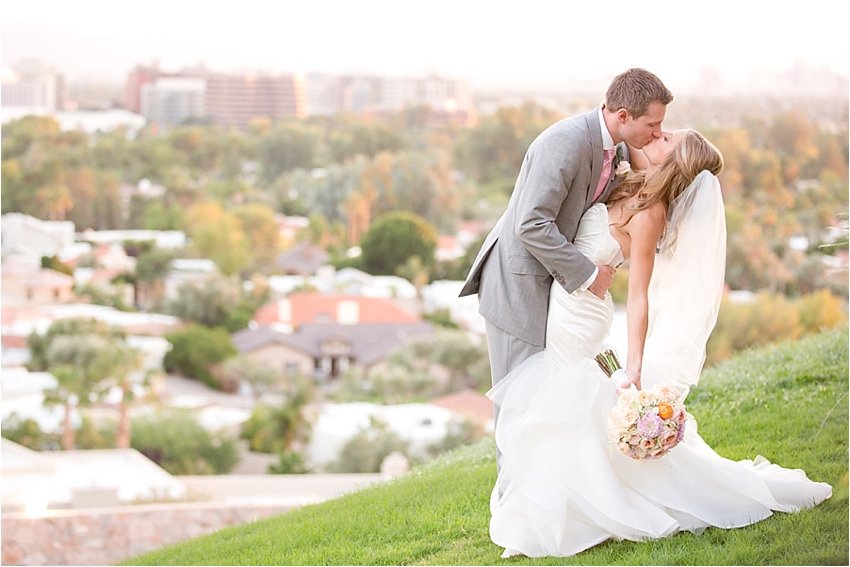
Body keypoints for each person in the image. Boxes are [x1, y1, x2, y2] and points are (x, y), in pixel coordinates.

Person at [487, 128, 833, 559]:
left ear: (674, 164)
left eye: (667, 139)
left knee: (563, 401)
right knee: (565, 403)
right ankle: (565, 506)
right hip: (567, 303)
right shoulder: (627, 181)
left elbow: (639, 296)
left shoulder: (651, 214)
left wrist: (633, 366)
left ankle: (562, 514)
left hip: (581, 316)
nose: (658, 134)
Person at [459, 68, 673, 431]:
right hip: (518, 284)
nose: (657, 132)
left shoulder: (620, 149)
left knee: (547, 406)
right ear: (623, 116)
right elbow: (530, 223)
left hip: (560, 295)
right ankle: (512, 474)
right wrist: (589, 274)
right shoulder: (566, 142)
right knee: (519, 411)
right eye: (653, 124)